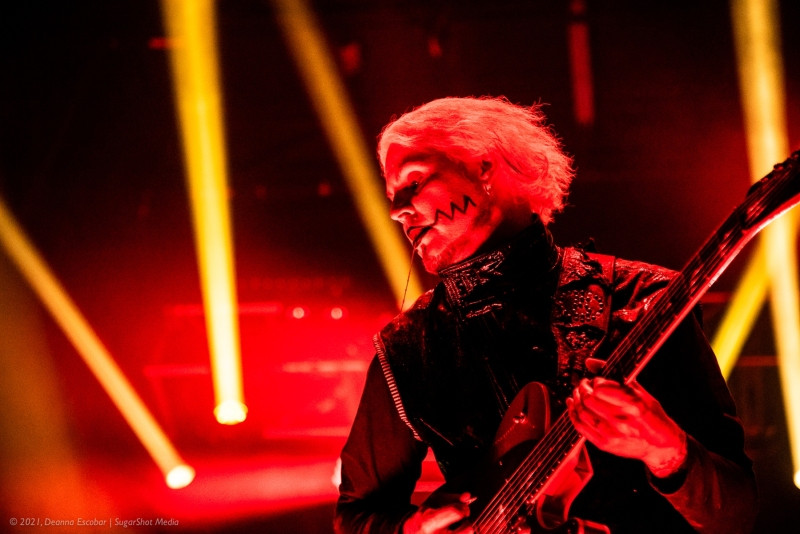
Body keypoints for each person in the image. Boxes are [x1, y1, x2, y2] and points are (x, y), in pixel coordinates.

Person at [334, 96, 757, 533]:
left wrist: (668, 452)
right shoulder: (406, 347)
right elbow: (357, 516)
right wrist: (415, 527)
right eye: (392, 194)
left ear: (484, 167)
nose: (396, 209)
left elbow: (739, 516)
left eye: (415, 181)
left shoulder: (644, 297)